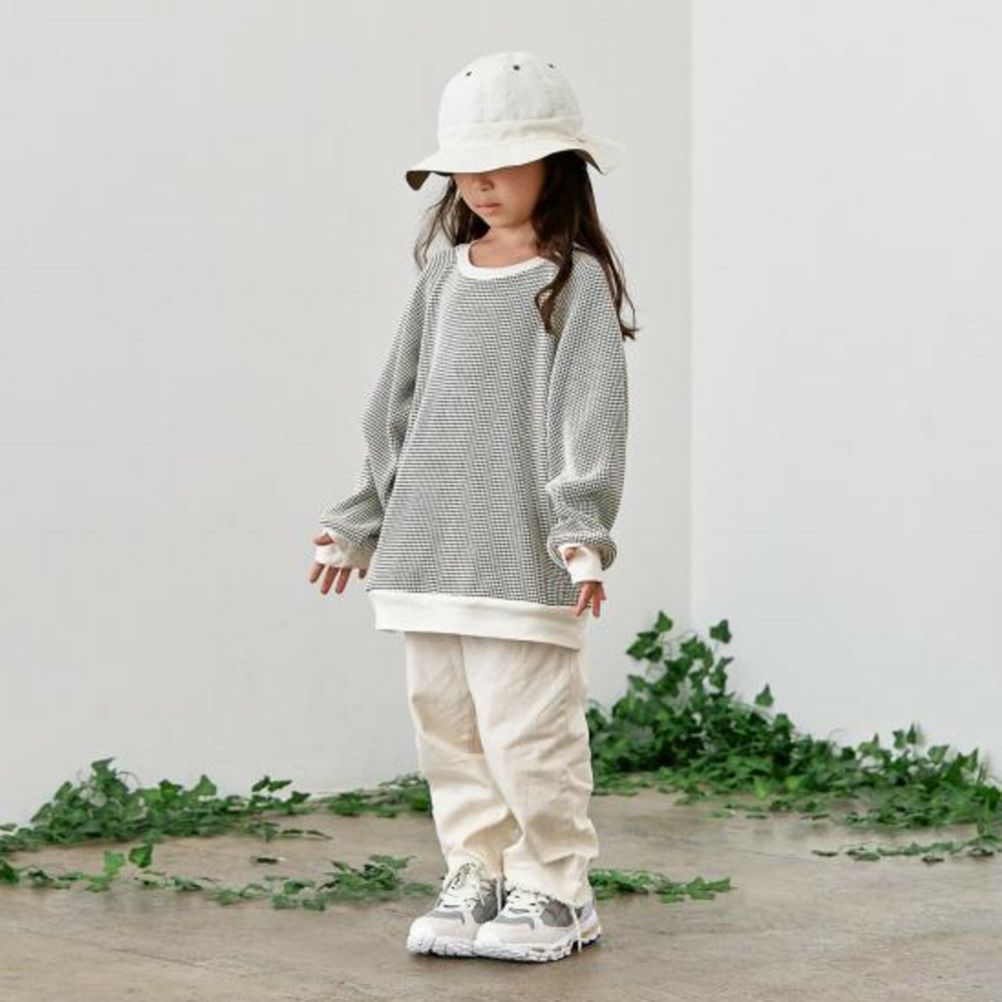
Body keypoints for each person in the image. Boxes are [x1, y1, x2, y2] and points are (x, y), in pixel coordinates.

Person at [307, 49, 635, 964]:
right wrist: (359, 520)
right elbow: (397, 405)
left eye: (503, 163)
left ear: (555, 165)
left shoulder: (573, 281)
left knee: (529, 735)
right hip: (427, 551)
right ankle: (476, 872)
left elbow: (589, 413)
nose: (480, 185)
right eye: (465, 169)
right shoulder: (444, 277)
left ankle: (556, 888)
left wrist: (581, 531)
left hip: (522, 555)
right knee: (449, 735)